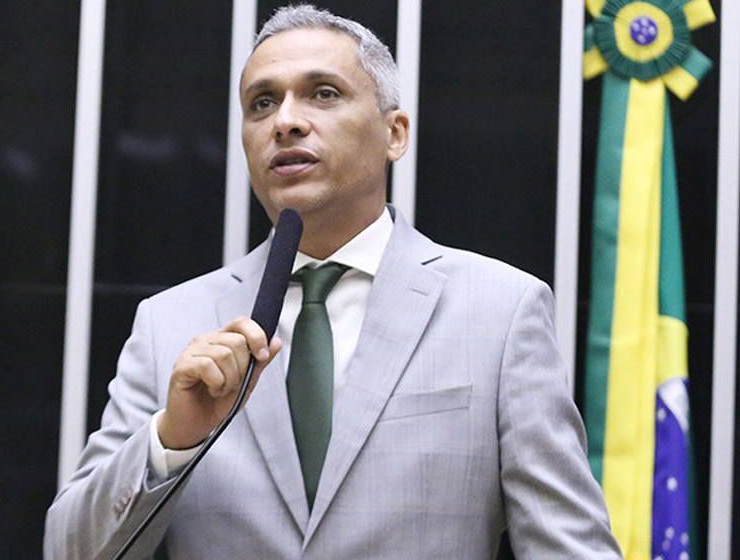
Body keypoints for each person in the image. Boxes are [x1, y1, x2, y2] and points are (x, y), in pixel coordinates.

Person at [44, 5, 623, 559]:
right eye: (262, 103)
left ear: (395, 133)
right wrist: (172, 440)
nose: (286, 121)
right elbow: (68, 550)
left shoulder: (500, 311)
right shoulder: (170, 323)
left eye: (323, 93)